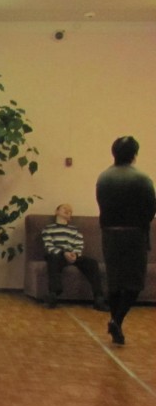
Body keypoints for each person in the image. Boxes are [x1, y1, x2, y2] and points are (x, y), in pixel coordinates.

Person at [96, 136, 156, 345]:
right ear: (134, 154)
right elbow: (150, 209)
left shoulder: (104, 177)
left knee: (114, 282)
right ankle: (117, 320)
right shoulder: (142, 179)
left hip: (109, 234)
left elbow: (101, 204)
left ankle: (116, 325)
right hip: (134, 235)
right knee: (134, 283)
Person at [40, 204, 108, 310]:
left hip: (73, 255)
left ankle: (99, 298)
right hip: (58, 254)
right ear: (57, 211)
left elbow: (79, 245)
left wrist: (75, 254)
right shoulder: (48, 229)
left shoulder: (75, 230)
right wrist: (63, 253)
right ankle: (53, 293)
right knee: (52, 258)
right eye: (64, 208)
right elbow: (48, 246)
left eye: (70, 210)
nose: (68, 210)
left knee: (92, 263)